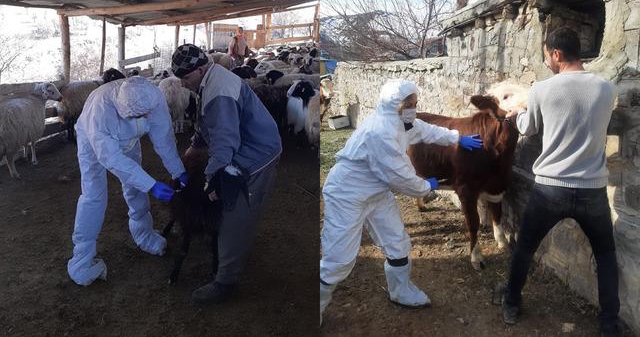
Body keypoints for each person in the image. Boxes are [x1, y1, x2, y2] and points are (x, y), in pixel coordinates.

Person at [320, 79, 483, 323]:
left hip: (377, 191)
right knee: (339, 258)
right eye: (412, 104)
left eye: (416, 104)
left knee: (397, 242)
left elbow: (426, 130)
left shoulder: (401, 122)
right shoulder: (380, 132)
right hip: (348, 194)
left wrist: (457, 138)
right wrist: (429, 186)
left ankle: (401, 291)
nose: (415, 108)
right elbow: (400, 177)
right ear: (397, 104)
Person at [501, 27, 621, 337]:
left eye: (547, 56)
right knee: (606, 255)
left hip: (550, 188)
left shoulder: (542, 89)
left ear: (557, 54)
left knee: (525, 247)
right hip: (592, 191)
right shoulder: (606, 88)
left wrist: (515, 115)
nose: (547, 62)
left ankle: (511, 302)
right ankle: (610, 323)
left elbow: (528, 128)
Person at [171, 44, 282, 304]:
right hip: (247, 141)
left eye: (186, 79)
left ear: (199, 69)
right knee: (221, 196)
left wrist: (211, 180)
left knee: (236, 209)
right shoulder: (210, 81)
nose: (184, 85)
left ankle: (225, 281)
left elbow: (224, 140)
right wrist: (195, 146)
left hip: (257, 152)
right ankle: (223, 250)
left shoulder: (218, 90)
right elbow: (208, 123)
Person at [67, 76, 188, 286]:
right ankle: (82, 260)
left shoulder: (154, 98)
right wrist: (151, 184)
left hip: (129, 140)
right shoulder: (100, 111)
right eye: (134, 115)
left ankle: (144, 234)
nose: (140, 117)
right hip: (92, 140)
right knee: (94, 195)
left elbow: (164, 139)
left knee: (134, 187)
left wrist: (178, 171)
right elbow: (111, 158)